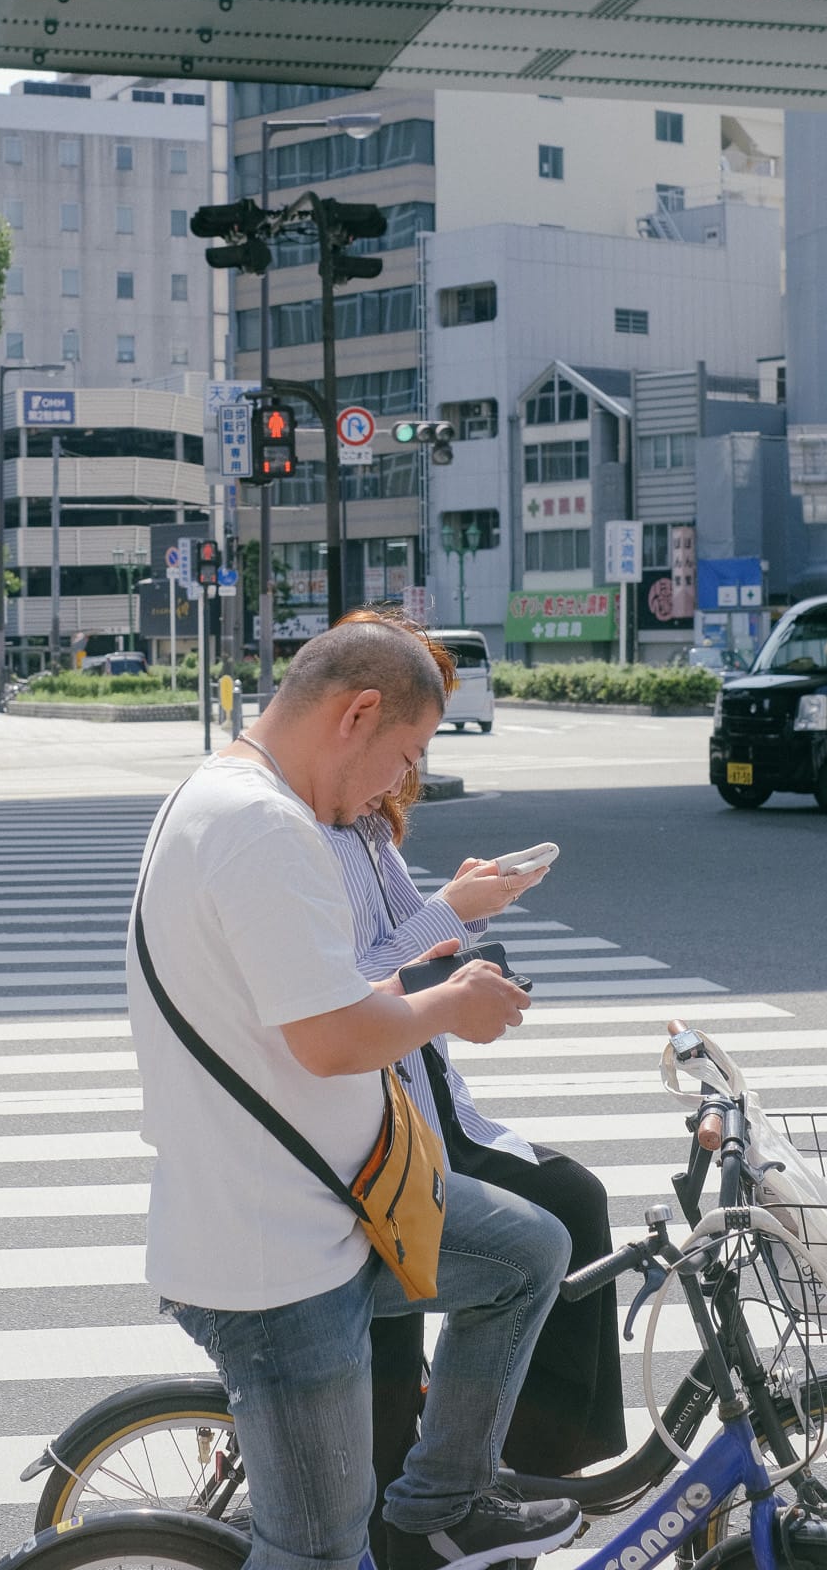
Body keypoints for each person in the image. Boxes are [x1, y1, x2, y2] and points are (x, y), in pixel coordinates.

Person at [127, 622, 579, 1570]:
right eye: (404, 755)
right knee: (319, 1553)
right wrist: (450, 1004)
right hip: (277, 1256)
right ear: (357, 712)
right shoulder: (264, 825)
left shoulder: (220, 799)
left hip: (332, 1206)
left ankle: (441, 1503)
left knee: (531, 1247)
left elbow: (317, 1002)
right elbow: (331, 1039)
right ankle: (430, 1508)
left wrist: (426, 974)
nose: (395, 782)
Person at [322, 613, 625, 1565]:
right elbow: (350, 979)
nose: (413, 766)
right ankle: (492, 1484)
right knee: (555, 1217)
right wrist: (448, 918)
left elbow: (385, 943)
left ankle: (485, 1478)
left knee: (546, 1218)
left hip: (407, 1089)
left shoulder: (361, 818)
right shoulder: (311, 824)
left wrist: (448, 907)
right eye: (411, 742)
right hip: (385, 1107)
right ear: (361, 713)